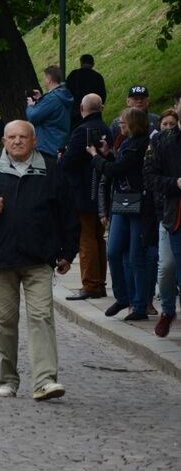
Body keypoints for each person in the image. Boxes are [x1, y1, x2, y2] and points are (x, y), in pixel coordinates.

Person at [0, 120, 78, 401]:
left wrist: (67, 252)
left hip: (39, 258)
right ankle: (7, 379)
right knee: (4, 322)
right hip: (3, 258)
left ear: (34, 141)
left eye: (23, 137)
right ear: (3, 141)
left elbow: (68, 214)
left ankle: (45, 380)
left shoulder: (51, 170)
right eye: (12, 137)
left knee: (41, 317)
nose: (17, 142)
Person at [88, 107, 150, 321]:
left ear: (133, 123)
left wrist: (96, 157)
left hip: (138, 204)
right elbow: (119, 165)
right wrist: (109, 154)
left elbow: (116, 170)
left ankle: (139, 304)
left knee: (135, 257)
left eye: (123, 122)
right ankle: (123, 296)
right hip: (121, 202)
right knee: (113, 251)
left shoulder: (140, 145)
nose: (119, 125)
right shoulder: (125, 143)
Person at [59, 93, 113, 300]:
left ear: (82, 109)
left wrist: (62, 158)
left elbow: (69, 162)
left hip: (83, 190)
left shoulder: (81, 131)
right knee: (98, 238)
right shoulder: (106, 129)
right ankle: (98, 282)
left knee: (86, 238)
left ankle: (91, 284)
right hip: (100, 190)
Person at [144, 110, 181, 337]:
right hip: (172, 216)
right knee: (167, 267)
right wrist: (175, 183)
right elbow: (149, 177)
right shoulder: (162, 141)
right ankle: (168, 310)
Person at [26, 65, 73, 158]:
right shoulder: (63, 95)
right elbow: (52, 113)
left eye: (45, 78)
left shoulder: (52, 98)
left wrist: (31, 106)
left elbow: (33, 117)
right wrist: (41, 99)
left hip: (47, 147)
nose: (44, 81)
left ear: (49, 79)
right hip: (59, 143)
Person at [65, 54, 107, 127]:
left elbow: (66, 92)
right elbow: (102, 96)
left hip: (75, 114)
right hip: (93, 113)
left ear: (81, 63)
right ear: (93, 64)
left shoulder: (74, 74)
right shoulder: (98, 77)